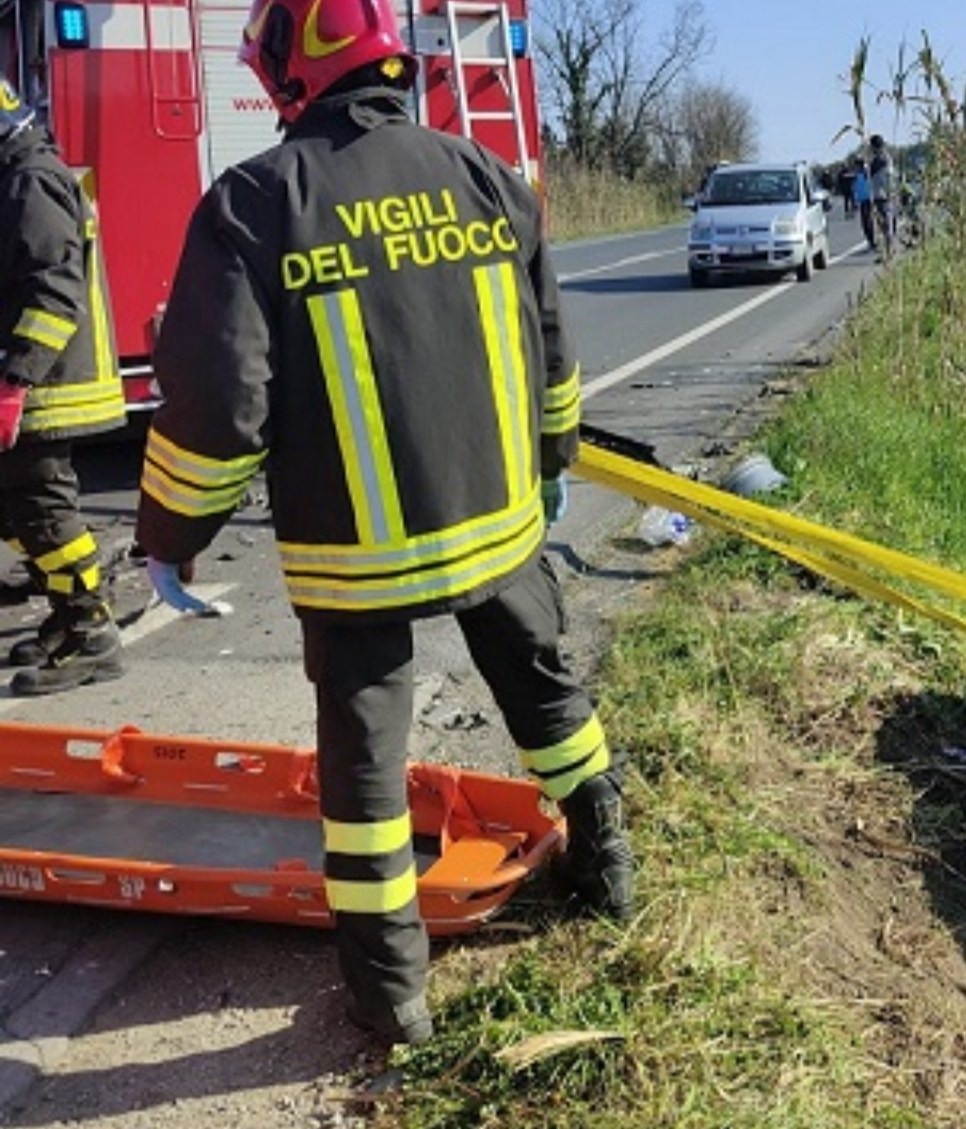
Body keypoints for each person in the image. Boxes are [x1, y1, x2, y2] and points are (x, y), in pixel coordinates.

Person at [133, 0, 636, 1048]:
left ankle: (390, 995)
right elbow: (553, 353)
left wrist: (172, 534)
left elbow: (222, 405)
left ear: (288, 69)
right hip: (499, 531)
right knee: (547, 692)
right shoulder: (489, 176)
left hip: (355, 560)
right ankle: (605, 858)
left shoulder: (254, 202)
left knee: (365, 775)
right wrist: (551, 467)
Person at [0, 76, 128, 696]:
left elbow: (53, 292)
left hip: (50, 385)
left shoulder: (30, 182)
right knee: (21, 507)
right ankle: (62, 613)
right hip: (38, 381)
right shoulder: (21, 175)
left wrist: (14, 378)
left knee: (43, 506)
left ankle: (90, 631)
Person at [867, 134, 896, 258]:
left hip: (884, 196)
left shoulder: (882, 160)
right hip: (882, 196)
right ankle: (887, 252)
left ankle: (889, 253)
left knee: (886, 226)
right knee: (883, 226)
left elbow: (885, 176)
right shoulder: (882, 159)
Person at [852, 161, 873, 248]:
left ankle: (872, 240)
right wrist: (855, 201)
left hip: (868, 200)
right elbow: (855, 189)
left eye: (856, 166)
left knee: (869, 221)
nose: (855, 168)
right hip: (862, 201)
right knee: (864, 222)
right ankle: (869, 240)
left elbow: (870, 185)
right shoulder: (856, 176)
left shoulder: (866, 174)